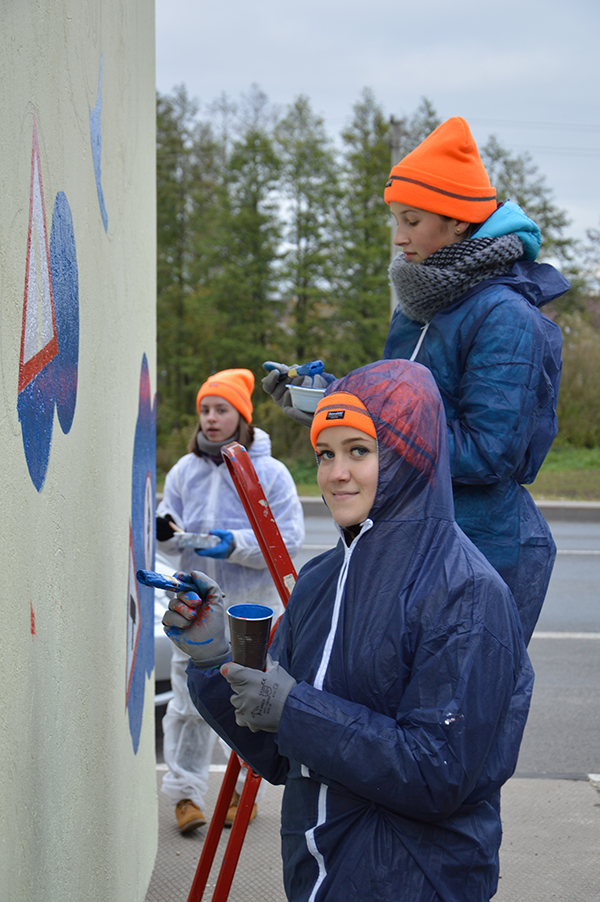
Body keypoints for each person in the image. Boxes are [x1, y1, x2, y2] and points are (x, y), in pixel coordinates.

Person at [162, 359, 533, 902]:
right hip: (314, 877)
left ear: (410, 455)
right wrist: (213, 661)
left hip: (413, 882)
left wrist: (294, 709)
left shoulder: (466, 593)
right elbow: (280, 756)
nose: (336, 474)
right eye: (325, 453)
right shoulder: (319, 581)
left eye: (359, 451)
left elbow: (438, 774)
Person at [263, 116, 567, 644]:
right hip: (408, 536)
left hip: (482, 548)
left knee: (457, 697)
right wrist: (330, 400)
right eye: (395, 220)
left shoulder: (505, 316)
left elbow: (489, 452)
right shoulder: (417, 309)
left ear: (459, 222)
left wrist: (367, 425)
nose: (399, 237)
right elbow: (397, 408)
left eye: (412, 220)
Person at [156, 367, 305, 833]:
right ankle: (186, 797)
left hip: (251, 616)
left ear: (243, 417)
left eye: (222, 409)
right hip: (198, 615)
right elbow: (169, 537)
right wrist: (164, 532)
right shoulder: (184, 472)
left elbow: (288, 539)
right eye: (205, 409)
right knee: (187, 706)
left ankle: (241, 790)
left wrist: (235, 545)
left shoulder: (270, 473)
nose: (211, 418)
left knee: (247, 705)